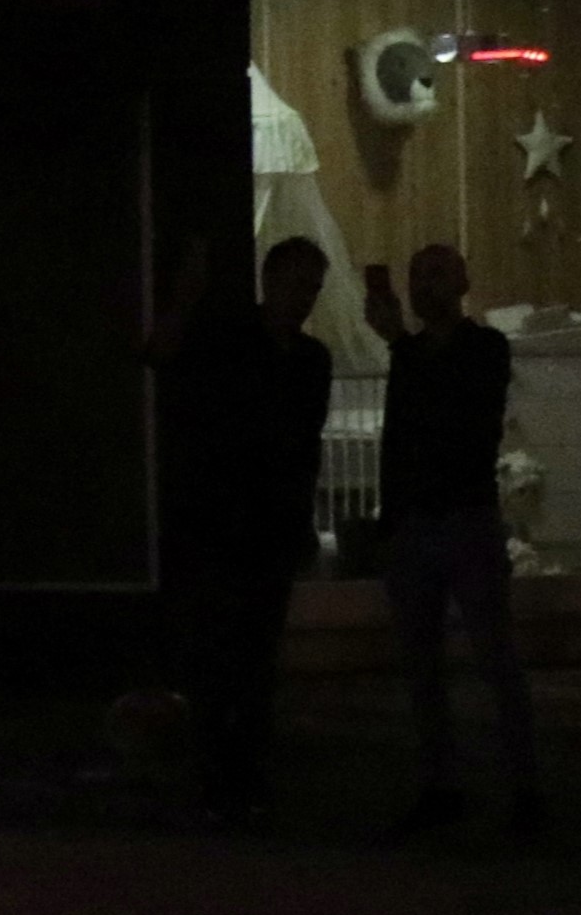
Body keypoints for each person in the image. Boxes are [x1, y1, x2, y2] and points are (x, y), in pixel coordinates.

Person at [152, 236, 336, 828]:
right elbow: (164, 360)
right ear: (268, 282)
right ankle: (219, 771)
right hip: (224, 520)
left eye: (311, 289)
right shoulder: (232, 343)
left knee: (255, 658)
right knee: (221, 653)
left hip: (268, 524)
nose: (302, 299)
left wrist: (300, 517)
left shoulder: (311, 360)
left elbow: (304, 448)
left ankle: (242, 770)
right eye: (294, 285)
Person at [366, 244, 543, 838]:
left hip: (464, 518)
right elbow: (402, 439)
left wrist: (398, 344)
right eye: (418, 275)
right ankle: (446, 784)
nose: (424, 286)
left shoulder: (483, 348)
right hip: (420, 523)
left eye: (437, 274)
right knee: (425, 667)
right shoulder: (414, 355)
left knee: (495, 660)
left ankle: (524, 787)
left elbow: (453, 418)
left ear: (464, 282)